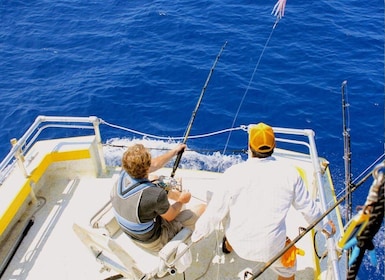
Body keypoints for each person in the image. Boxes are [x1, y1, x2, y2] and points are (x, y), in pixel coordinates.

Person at [191, 122, 327, 280]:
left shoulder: (232, 173)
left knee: (228, 213)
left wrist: (199, 232)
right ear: (274, 145)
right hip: (272, 249)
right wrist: (325, 226)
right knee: (288, 269)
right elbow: (308, 209)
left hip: (239, 243)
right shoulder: (290, 174)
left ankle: (227, 246)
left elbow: (215, 212)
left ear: (249, 146)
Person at [111, 143, 205, 252]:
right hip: (153, 241)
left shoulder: (124, 173)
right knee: (202, 208)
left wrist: (175, 151)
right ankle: (178, 199)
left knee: (154, 178)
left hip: (131, 233)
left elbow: (155, 164)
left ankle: (173, 197)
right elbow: (170, 216)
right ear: (147, 167)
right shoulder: (154, 195)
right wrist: (182, 200)